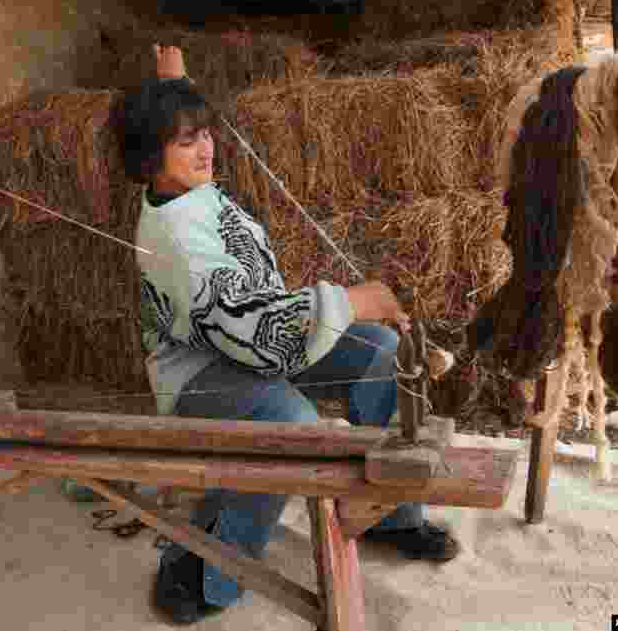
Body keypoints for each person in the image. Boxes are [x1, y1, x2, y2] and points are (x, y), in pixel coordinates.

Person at [118, 44, 459, 625]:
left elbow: (260, 318)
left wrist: (176, 88)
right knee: (291, 424)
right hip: (200, 370)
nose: (206, 148)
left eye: (205, 133)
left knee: (379, 352)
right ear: (151, 157)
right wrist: (356, 301)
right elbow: (256, 333)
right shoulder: (174, 237)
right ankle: (203, 569)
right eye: (186, 140)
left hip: (251, 338)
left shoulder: (184, 187)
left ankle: (392, 515)